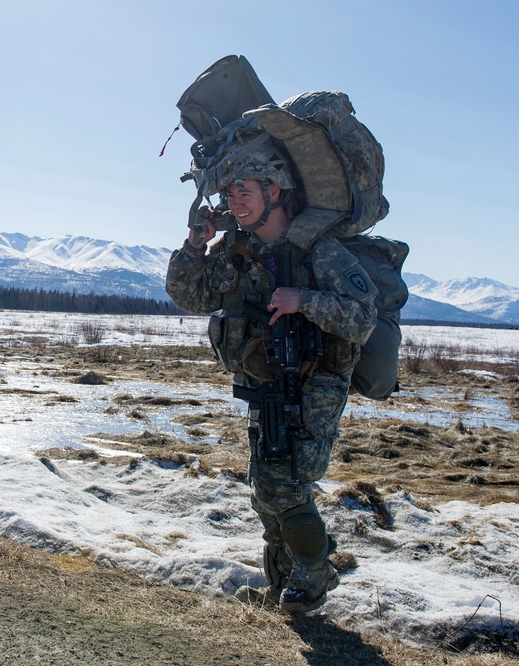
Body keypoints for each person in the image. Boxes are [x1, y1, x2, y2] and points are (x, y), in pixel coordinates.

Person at [165, 141, 377, 612]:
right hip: (265, 379)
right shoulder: (235, 250)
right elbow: (191, 295)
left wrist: (305, 301)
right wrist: (195, 247)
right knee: (265, 488)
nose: (233, 200)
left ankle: (316, 575)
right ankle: (284, 585)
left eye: (243, 189)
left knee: (285, 485)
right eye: (228, 192)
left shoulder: (318, 251)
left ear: (275, 190)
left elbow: (363, 317)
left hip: (316, 380)